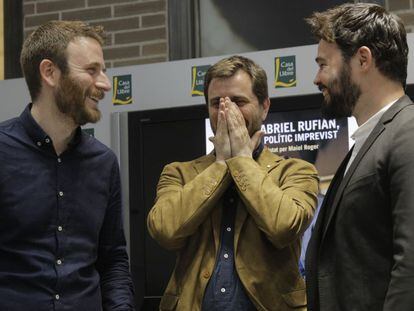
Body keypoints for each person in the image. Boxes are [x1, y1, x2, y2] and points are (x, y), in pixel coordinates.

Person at [147, 55, 319, 310]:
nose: (227, 112)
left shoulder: (297, 171)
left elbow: (284, 227)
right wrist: (220, 166)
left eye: (239, 101)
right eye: (217, 103)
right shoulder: (178, 173)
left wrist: (240, 160)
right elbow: (165, 231)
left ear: (264, 106)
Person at [0, 21, 135, 310]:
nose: (105, 83)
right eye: (91, 70)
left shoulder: (104, 163)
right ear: (50, 72)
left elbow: (112, 260)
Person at [304, 3, 414, 310]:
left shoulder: (408, 133)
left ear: (363, 59)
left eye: (323, 64)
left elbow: (411, 266)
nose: (317, 79)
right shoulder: (366, 141)